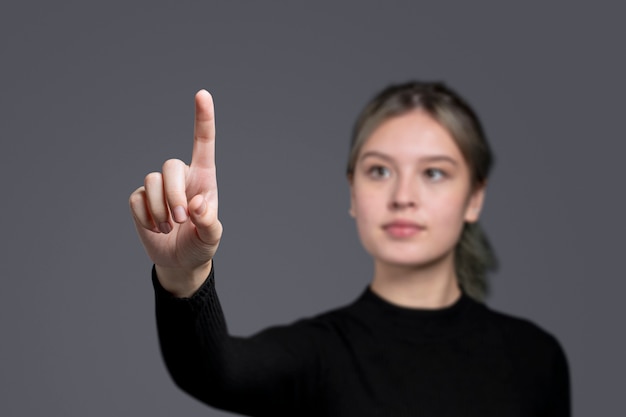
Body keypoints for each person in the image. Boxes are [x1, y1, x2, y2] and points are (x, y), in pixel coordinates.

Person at [129, 82, 570, 416]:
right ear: (353, 193)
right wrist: (185, 275)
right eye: (379, 171)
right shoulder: (318, 354)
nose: (403, 196)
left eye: (434, 173)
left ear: (475, 197)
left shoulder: (536, 358)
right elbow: (218, 371)